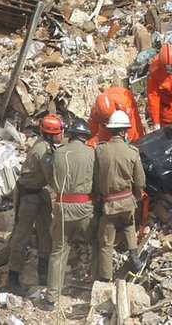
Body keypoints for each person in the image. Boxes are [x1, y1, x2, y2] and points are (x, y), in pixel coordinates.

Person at [42, 119, 97, 311]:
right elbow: (97, 181)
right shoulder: (92, 153)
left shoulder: (58, 153)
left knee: (58, 252)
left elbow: (51, 179)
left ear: (71, 134)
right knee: (97, 245)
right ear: (85, 137)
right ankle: (97, 290)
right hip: (84, 207)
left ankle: (50, 298)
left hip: (63, 207)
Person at [7, 114, 62, 294]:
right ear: (52, 134)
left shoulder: (44, 146)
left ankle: (43, 272)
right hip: (29, 194)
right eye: (60, 132)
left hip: (38, 191)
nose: (62, 135)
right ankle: (13, 277)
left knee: (46, 231)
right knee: (22, 233)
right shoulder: (43, 151)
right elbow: (52, 179)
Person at [94, 110, 146, 281]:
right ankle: (134, 257)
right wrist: (137, 196)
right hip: (126, 202)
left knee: (106, 242)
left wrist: (97, 196)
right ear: (124, 131)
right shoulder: (132, 152)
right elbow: (139, 181)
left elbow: (95, 177)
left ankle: (105, 277)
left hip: (108, 204)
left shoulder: (100, 151)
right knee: (129, 226)